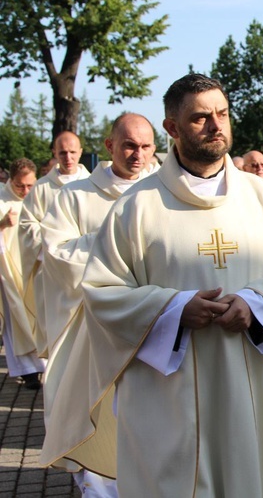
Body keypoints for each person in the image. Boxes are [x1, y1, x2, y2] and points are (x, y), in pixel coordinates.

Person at [39, 74, 263, 497]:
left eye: (222, 114)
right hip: (167, 400)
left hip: (254, 394)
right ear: (171, 128)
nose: (215, 125)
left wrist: (256, 303)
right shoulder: (136, 207)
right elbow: (102, 292)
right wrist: (173, 310)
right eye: (200, 118)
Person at [39, 113, 158, 495]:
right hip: (95, 328)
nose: (137, 154)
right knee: (100, 412)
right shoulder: (75, 196)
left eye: (145, 146)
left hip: (151, 323)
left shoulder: (162, 193)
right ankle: (100, 487)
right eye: (128, 145)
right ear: (109, 147)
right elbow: (56, 254)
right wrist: (109, 246)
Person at [19, 131, 90, 358]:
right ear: (54, 153)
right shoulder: (41, 188)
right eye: (62, 152)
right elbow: (26, 225)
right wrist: (54, 242)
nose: (68, 157)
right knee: (58, 334)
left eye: (72, 152)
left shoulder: (93, 185)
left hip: (87, 272)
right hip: (53, 273)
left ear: (80, 152)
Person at [0, 158, 42, 389]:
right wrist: (2, 224)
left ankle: (41, 364)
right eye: (19, 186)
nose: (25, 191)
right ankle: (26, 370)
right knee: (17, 318)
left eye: (29, 185)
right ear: (10, 181)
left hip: (32, 269)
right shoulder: (2, 200)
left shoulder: (38, 199)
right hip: (9, 271)